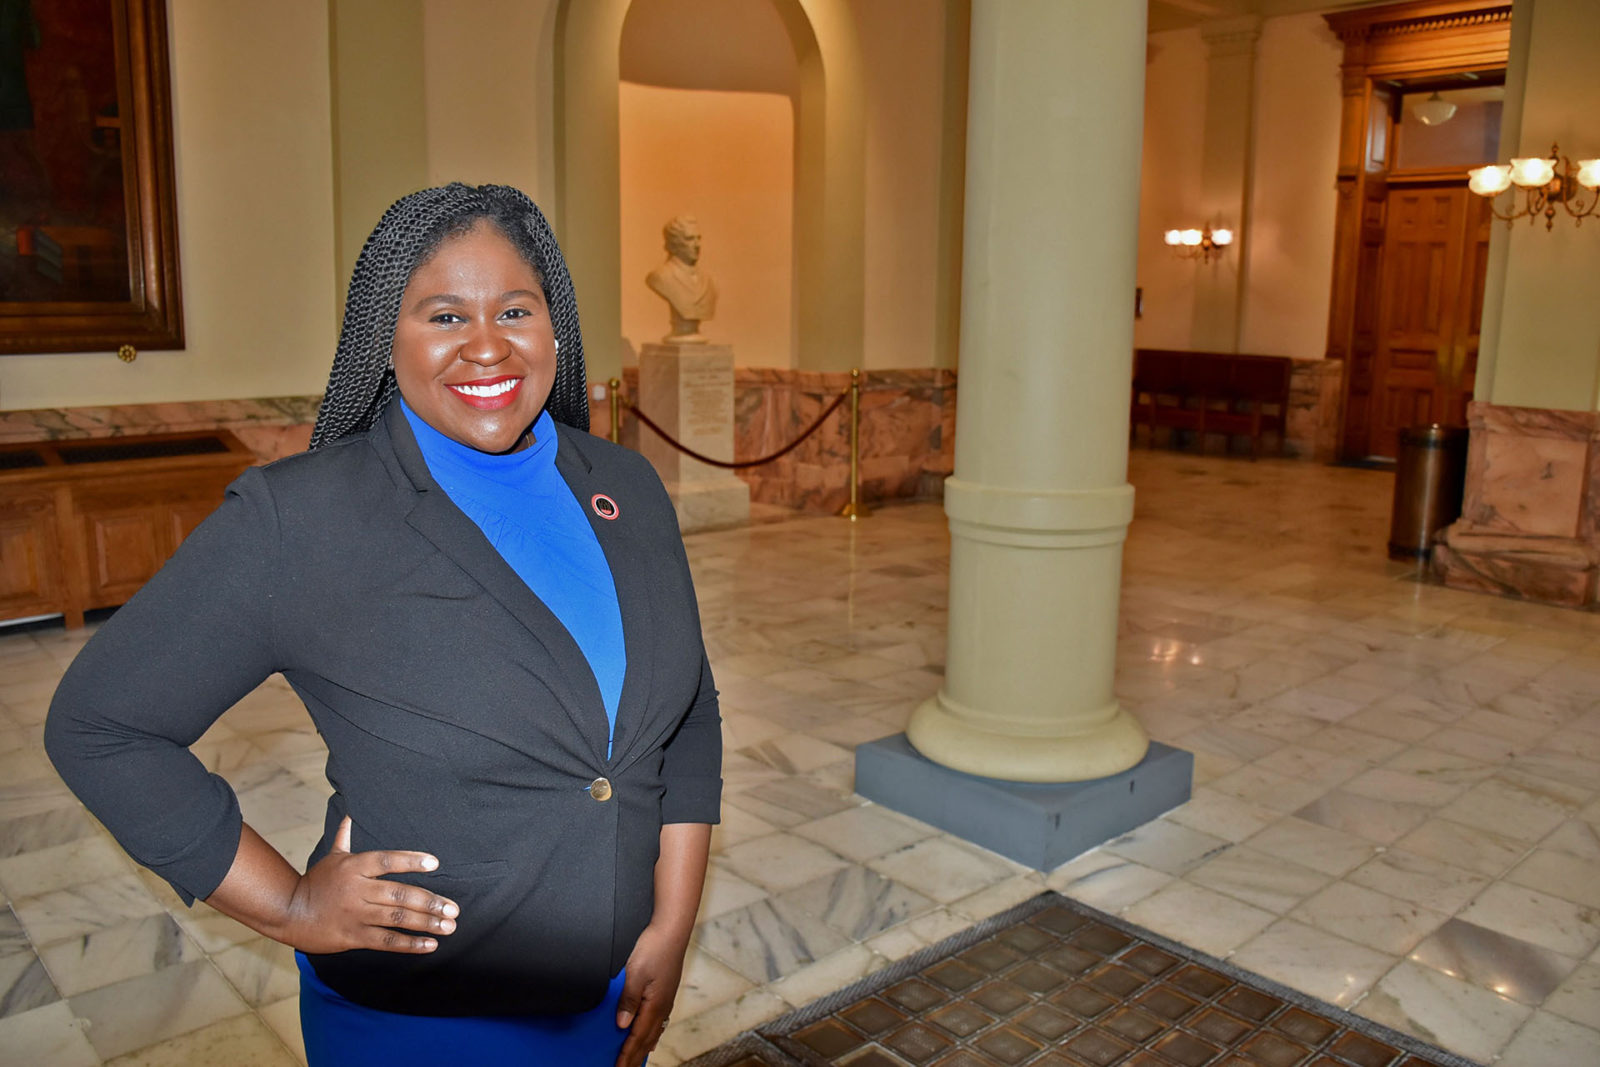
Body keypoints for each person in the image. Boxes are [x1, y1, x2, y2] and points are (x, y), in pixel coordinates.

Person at [45, 183, 722, 1067]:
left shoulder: (626, 487)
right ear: (385, 340)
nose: (487, 343)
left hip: (609, 1004)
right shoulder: (303, 519)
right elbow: (102, 725)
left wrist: (669, 924)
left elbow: (689, 714)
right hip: (418, 1024)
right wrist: (286, 905)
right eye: (444, 314)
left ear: (555, 328)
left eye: (515, 308)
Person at [644, 215, 717, 343]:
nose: (697, 245)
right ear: (673, 243)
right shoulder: (661, 276)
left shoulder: (708, 280)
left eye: (698, 238)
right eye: (689, 239)